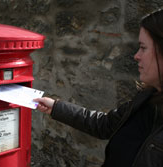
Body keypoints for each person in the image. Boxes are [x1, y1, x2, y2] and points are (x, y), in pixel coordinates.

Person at [34, 8, 163, 167]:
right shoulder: (146, 98)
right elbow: (104, 125)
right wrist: (55, 107)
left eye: (143, 47)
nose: (136, 55)